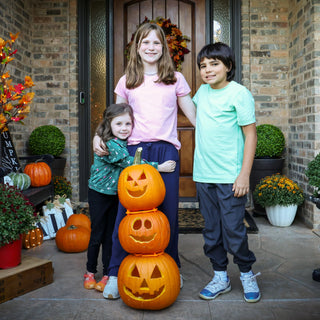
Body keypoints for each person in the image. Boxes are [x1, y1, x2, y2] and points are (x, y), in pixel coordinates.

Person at [93, 22, 196, 299]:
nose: (151, 48)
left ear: (164, 47)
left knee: (168, 214)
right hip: (134, 154)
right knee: (125, 215)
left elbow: (195, 116)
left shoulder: (175, 78)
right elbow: (113, 118)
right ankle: (115, 272)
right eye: (145, 43)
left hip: (166, 152)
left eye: (156, 43)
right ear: (137, 48)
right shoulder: (127, 81)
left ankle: (171, 267)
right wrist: (97, 136)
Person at [192, 42, 261, 303]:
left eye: (214, 64)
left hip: (230, 178)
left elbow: (250, 134)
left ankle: (246, 273)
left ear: (228, 66)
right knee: (211, 231)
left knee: (234, 231)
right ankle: (220, 276)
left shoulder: (239, 94)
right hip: (203, 175)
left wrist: (244, 175)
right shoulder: (202, 93)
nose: (207, 70)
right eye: (203, 66)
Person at [84, 103, 176, 292]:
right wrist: (159, 167)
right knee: (97, 233)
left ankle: (108, 273)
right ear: (109, 125)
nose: (124, 128)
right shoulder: (110, 144)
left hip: (116, 194)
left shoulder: (126, 142)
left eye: (128, 124)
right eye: (119, 124)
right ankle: (90, 271)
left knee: (112, 234)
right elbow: (130, 164)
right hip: (99, 193)